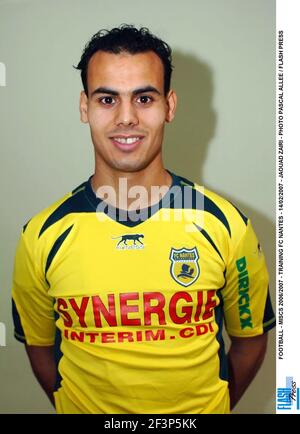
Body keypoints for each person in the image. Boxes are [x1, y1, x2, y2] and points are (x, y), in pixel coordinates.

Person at [11, 24, 275, 414]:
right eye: (107, 99)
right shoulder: (41, 236)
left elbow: (250, 340)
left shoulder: (225, 225)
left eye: (144, 98)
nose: (126, 118)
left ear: (169, 105)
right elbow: (39, 344)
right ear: (84, 107)